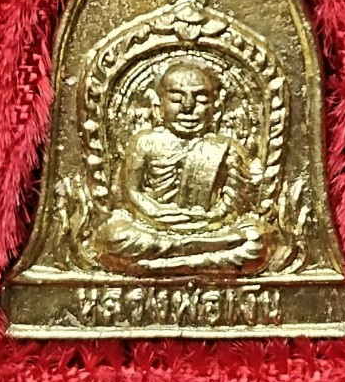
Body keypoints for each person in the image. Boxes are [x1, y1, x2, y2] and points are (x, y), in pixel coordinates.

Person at [97, 59, 269, 276]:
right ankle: (196, 260)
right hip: (155, 226)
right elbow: (132, 192)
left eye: (201, 99)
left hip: (209, 229)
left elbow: (233, 205)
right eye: (177, 99)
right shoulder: (144, 142)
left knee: (255, 239)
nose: (188, 107)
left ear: (216, 108)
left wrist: (208, 220)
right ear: (157, 106)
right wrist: (156, 212)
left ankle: (167, 264)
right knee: (115, 236)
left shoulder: (226, 148)